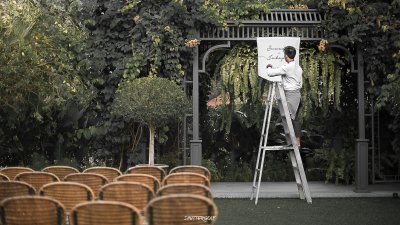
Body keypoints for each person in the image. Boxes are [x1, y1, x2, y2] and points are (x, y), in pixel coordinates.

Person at [262, 46, 303, 147]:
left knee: (289, 119)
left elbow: (271, 73)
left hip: (291, 95)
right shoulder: (298, 67)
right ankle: (296, 142)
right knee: (294, 119)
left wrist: (269, 67)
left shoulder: (288, 67)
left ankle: (293, 142)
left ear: (286, 55)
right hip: (297, 94)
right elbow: (300, 83)